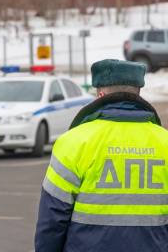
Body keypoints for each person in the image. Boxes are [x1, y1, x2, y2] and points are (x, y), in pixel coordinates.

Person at [35, 59, 168, 252]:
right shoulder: (164, 143)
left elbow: (52, 219)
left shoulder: (73, 142)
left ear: (100, 94)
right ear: (138, 93)